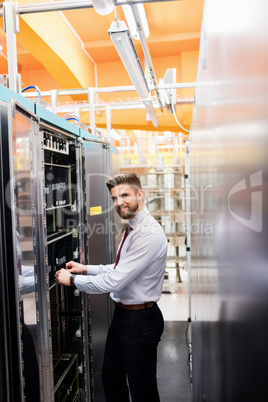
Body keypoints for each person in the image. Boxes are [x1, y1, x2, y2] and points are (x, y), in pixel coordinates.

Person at [56, 171, 168, 402]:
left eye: (125, 195)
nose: (119, 203)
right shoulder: (134, 227)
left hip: (140, 320)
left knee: (142, 388)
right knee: (111, 377)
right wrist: (86, 268)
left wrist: (74, 280)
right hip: (124, 318)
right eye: (114, 198)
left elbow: (116, 280)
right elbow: (119, 268)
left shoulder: (147, 233)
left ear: (140, 194)